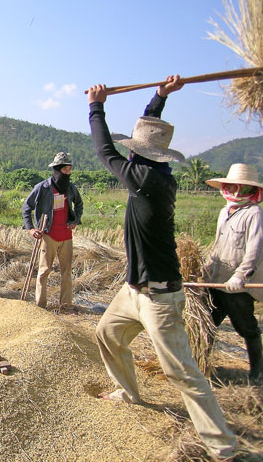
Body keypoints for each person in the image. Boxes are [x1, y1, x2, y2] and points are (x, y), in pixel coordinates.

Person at [88, 77, 237, 460]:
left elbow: (105, 151)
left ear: (142, 157)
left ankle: (224, 448)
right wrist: (160, 97)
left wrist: (96, 106)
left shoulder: (146, 180)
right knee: (107, 333)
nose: (131, 154)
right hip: (133, 289)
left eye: (135, 150)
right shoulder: (153, 174)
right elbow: (147, 136)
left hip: (158, 296)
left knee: (182, 374)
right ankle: (128, 393)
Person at [204, 163, 263, 382]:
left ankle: (258, 371)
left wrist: (240, 276)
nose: (237, 192)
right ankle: (201, 365)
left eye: (243, 188)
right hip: (216, 282)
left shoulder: (254, 213)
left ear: (251, 191)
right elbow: (218, 245)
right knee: (207, 324)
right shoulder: (225, 211)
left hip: (236, 286)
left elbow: (255, 250)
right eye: (233, 187)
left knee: (247, 328)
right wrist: (206, 270)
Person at [22, 152, 83, 311]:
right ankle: (41, 307)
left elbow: (79, 204)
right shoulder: (43, 188)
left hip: (66, 237)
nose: (68, 173)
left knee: (67, 273)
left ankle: (65, 306)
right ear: (57, 170)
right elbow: (26, 208)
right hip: (48, 235)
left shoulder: (70, 188)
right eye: (65, 170)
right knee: (43, 272)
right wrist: (30, 228)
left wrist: (75, 220)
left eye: (70, 170)